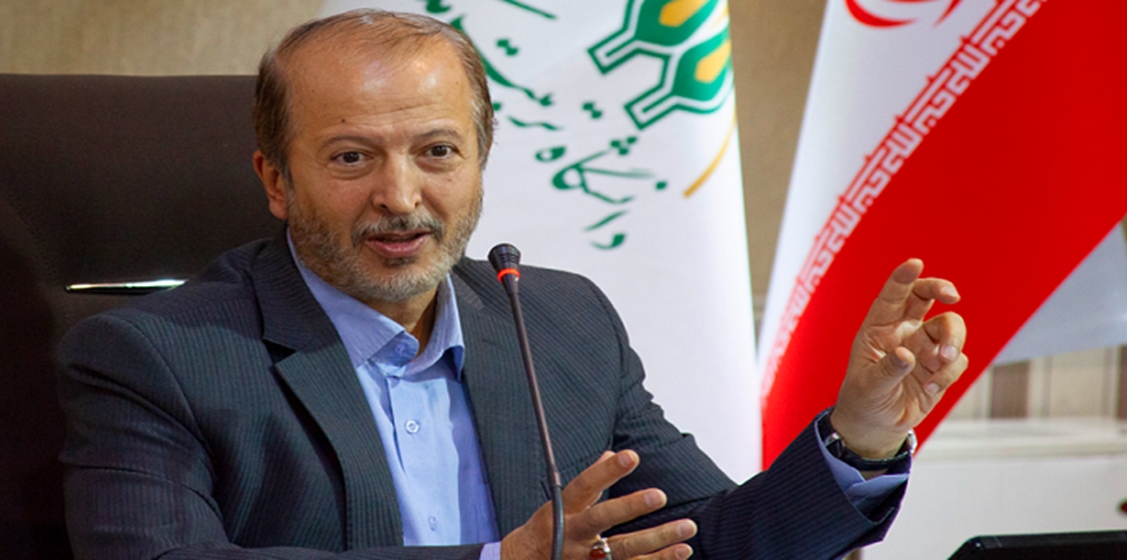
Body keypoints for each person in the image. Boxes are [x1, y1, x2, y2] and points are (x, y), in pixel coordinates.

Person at [57, 9, 968, 560]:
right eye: (351, 157)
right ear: (275, 179)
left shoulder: (560, 322)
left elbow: (706, 541)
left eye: (437, 151)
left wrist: (861, 434)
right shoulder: (157, 357)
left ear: (482, 161)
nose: (400, 197)